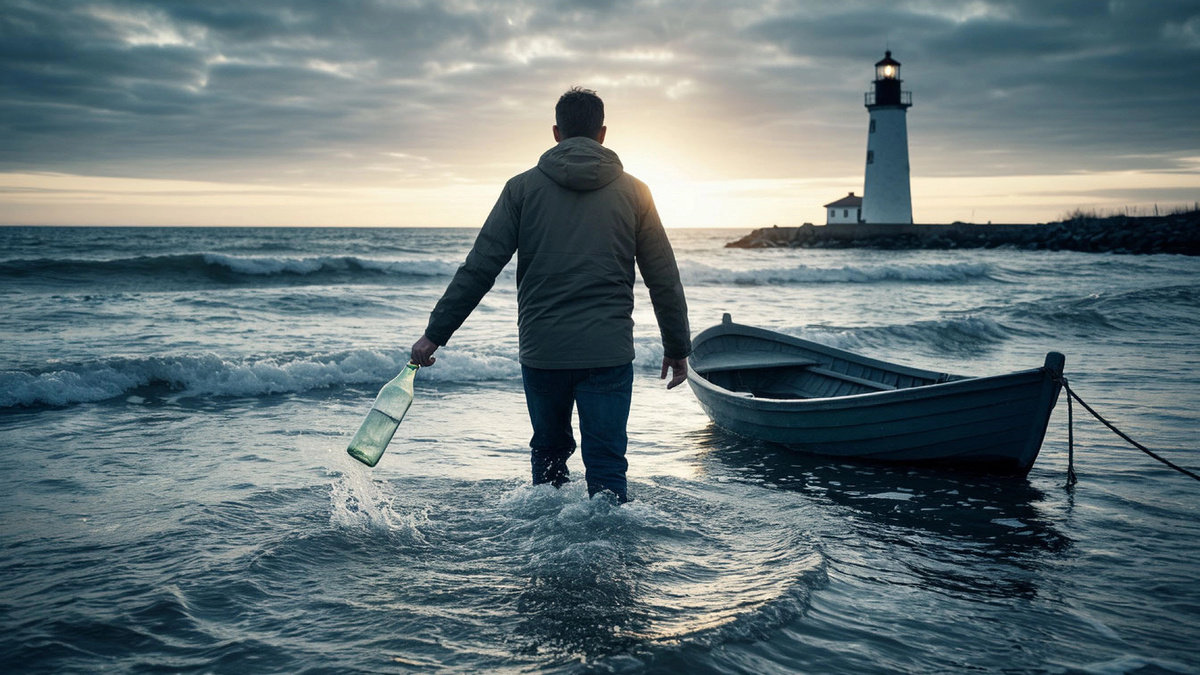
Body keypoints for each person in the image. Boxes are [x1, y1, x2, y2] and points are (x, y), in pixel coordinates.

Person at [410, 87, 691, 503]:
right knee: (607, 464)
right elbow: (663, 276)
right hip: (608, 353)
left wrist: (435, 333)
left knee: (549, 456)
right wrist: (677, 346)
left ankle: (544, 550)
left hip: (544, 352)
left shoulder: (521, 189)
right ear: (603, 133)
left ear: (556, 132)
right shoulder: (636, 193)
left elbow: (480, 267)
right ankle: (612, 555)